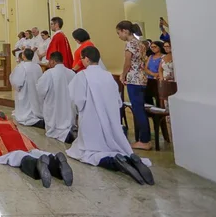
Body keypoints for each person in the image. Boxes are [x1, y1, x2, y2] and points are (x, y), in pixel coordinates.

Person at [67, 46, 154, 185]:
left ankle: (115, 162)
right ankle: (130, 159)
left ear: (87, 59)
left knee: (88, 153)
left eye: (82, 59)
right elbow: (118, 100)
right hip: (110, 121)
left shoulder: (82, 76)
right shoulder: (108, 75)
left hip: (91, 119)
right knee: (110, 145)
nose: (81, 61)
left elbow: (78, 99)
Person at [0, 116, 74, 188]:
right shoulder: (10, 123)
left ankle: (36, 163)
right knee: (33, 151)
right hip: (22, 139)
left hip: (6, 142)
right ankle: (54, 160)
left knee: (17, 156)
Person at [117, 21, 151, 150]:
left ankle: (144, 140)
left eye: (119, 33)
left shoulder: (130, 44)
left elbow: (128, 63)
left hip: (133, 79)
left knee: (138, 110)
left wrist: (123, 75)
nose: (119, 36)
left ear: (125, 31)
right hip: (142, 78)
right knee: (140, 109)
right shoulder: (140, 43)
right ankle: (145, 138)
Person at [36, 52, 75, 143]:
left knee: (54, 124)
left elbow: (41, 89)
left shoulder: (49, 73)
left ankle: (61, 134)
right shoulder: (71, 73)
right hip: (68, 106)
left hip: (54, 104)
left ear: (53, 61)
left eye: (49, 61)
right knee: (67, 117)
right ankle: (68, 130)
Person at [10, 49, 44, 128]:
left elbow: (16, 82)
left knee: (25, 112)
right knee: (35, 107)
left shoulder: (21, 67)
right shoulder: (37, 66)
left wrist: (17, 87)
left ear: (23, 56)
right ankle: (37, 117)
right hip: (35, 92)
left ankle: (31, 120)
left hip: (25, 92)